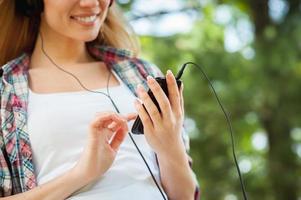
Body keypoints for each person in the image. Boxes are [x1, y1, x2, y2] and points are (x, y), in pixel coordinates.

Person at [0, 0, 200, 199]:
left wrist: (170, 147)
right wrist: (82, 174)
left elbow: (185, 196)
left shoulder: (141, 73)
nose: (91, 3)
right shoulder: (5, 90)